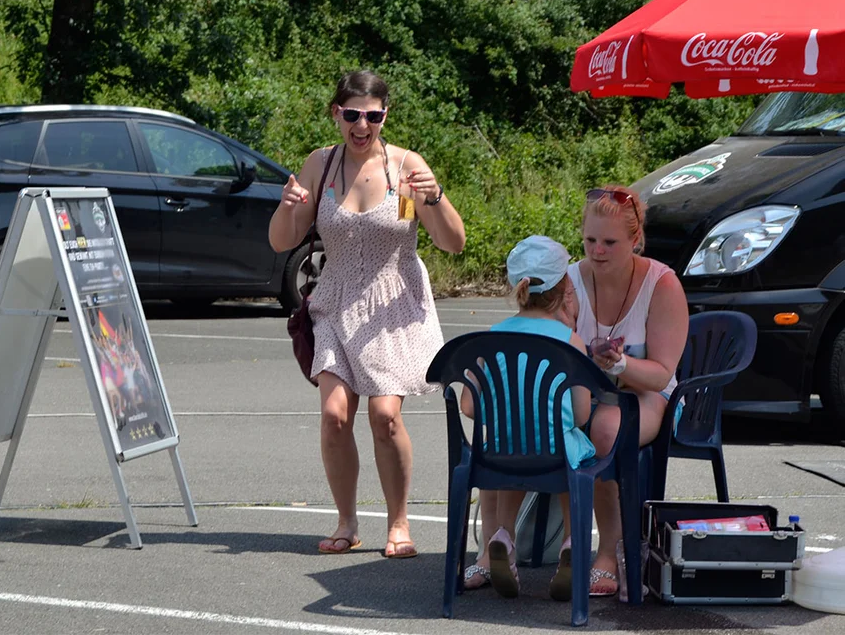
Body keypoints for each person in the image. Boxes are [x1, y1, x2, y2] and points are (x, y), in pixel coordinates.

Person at [268, 70, 466, 558]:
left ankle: (399, 523)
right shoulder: (321, 164)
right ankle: (347, 522)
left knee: (385, 417)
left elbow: (453, 243)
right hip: (335, 301)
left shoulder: (406, 166)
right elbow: (281, 240)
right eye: (352, 114)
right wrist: (289, 207)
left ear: (385, 115)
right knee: (335, 416)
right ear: (336, 113)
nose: (362, 125)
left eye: (372, 116)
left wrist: (434, 196)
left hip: (393, 305)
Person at [553, 185, 687, 598]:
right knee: (546, 424)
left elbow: (663, 373)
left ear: (635, 239)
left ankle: (609, 551)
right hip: (588, 393)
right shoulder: (570, 281)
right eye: (590, 240)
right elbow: (557, 353)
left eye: (610, 242)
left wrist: (621, 364)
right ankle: (550, 543)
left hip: (648, 393)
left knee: (607, 429)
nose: (597, 251)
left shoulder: (662, 284)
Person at [459, 236, 593, 598]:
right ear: (564, 287)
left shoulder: (492, 337)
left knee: (511, 449)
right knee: (575, 451)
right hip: (555, 454)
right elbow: (580, 414)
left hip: (501, 453)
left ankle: (502, 536)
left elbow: (468, 407)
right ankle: (571, 544)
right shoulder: (569, 340)